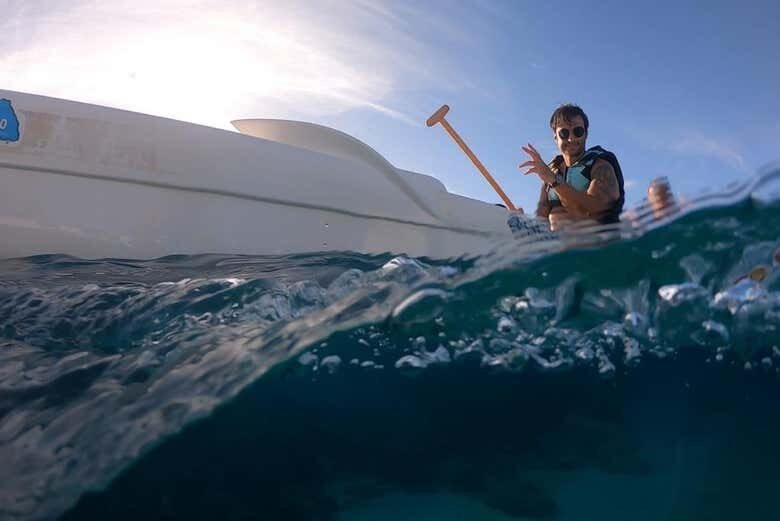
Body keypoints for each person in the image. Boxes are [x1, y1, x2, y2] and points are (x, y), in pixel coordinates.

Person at [520, 104, 625, 231]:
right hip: (562, 246)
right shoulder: (551, 171)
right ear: (555, 138)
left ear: (586, 134)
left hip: (600, 244)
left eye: (578, 131)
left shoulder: (601, 166)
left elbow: (597, 211)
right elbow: (542, 219)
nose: (571, 138)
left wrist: (554, 181)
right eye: (564, 133)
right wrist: (524, 223)